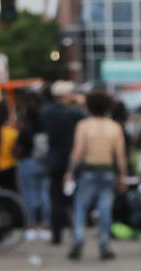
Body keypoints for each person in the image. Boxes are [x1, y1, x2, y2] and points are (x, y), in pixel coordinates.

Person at [64, 90, 126, 261]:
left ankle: (78, 239)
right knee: (105, 208)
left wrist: (70, 171)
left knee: (80, 207)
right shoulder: (114, 127)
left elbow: (77, 151)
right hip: (107, 170)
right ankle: (104, 244)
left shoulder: (84, 126)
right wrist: (122, 176)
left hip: (88, 170)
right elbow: (120, 155)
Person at [41, 81, 83, 244]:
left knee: (55, 198)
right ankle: (76, 233)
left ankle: (56, 234)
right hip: (71, 160)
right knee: (74, 199)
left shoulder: (46, 112)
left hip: (53, 160)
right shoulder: (74, 114)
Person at [16, 94, 52, 240]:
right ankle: (46, 225)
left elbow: (18, 147)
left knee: (29, 194)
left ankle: (31, 225)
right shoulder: (46, 127)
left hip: (28, 162)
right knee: (45, 195)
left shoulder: (25, 128)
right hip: (45, 163)